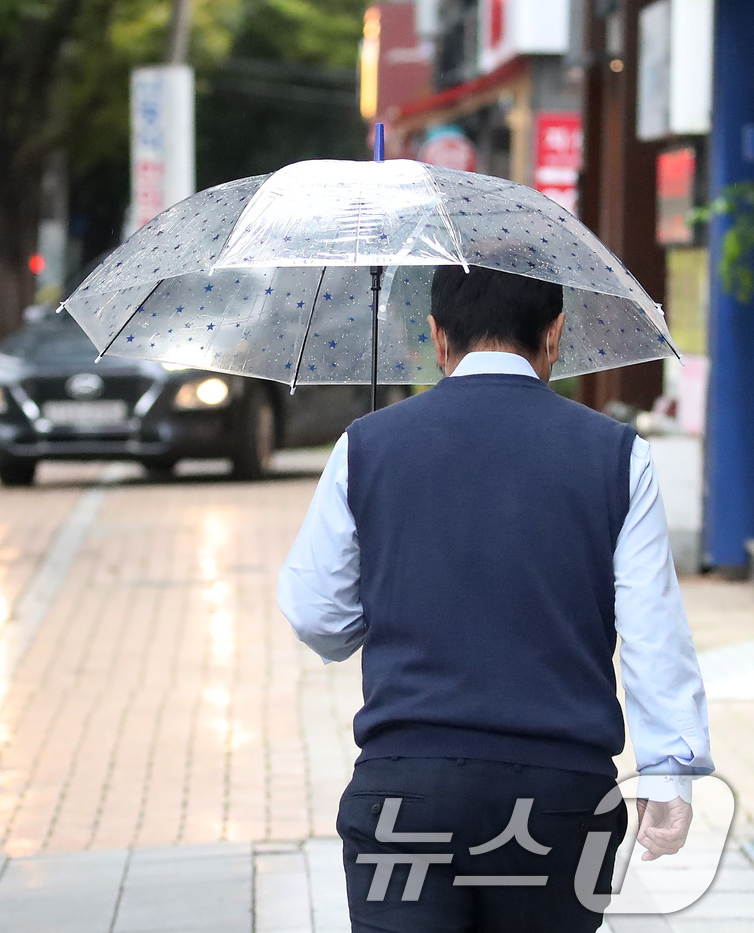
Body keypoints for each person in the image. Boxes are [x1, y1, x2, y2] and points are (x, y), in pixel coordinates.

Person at [278, 265, 712, 932]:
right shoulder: (618, 455)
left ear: (437, 336)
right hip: (559, 795)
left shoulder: (367, 446)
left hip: (407, 790)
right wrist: (669, 774)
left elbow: (316, 614)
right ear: (555, 332)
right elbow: (654, 629)